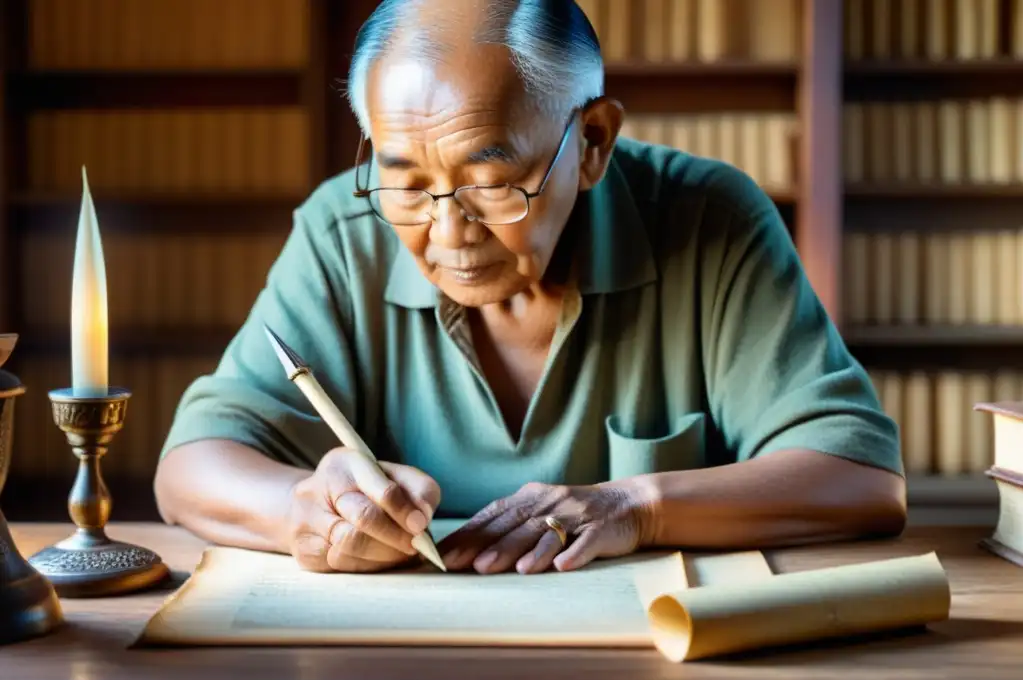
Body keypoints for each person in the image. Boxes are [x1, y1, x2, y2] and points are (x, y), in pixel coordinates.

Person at [154, 0, 906, 577]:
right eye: (407, 184)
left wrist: (633, 507)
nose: (448, 233)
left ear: (592, 144)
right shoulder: (343, 231)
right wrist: (303, 510)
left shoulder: (709, 219)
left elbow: (861, 479)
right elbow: (192, 464)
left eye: (493, 184)